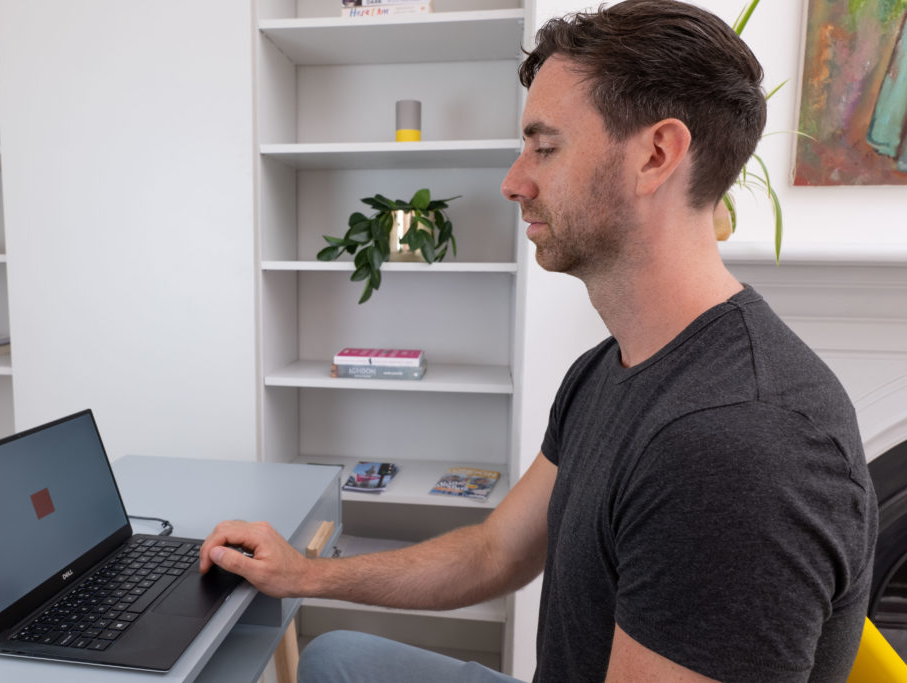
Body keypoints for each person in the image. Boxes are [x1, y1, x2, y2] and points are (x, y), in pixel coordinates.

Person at [200, 1, 878, 680]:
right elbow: (497, 551)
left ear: (656, 154)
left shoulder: (737, 447)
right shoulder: (609, 367)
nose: (513, 181)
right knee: (336, 657)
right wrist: (304, 574)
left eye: (545, 146)